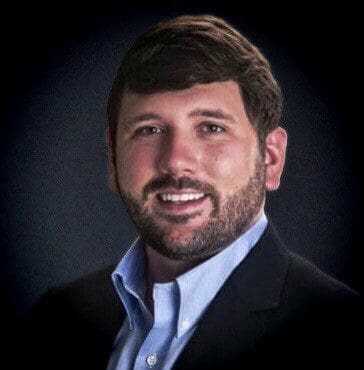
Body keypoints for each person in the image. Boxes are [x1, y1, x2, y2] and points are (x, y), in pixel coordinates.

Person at [28, 15, 360, 370]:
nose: (176, 162)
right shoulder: (55, 318)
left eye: (211, 127)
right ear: (112, 157)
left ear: (271, 158)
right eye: (150, 129)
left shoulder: (337, 331)